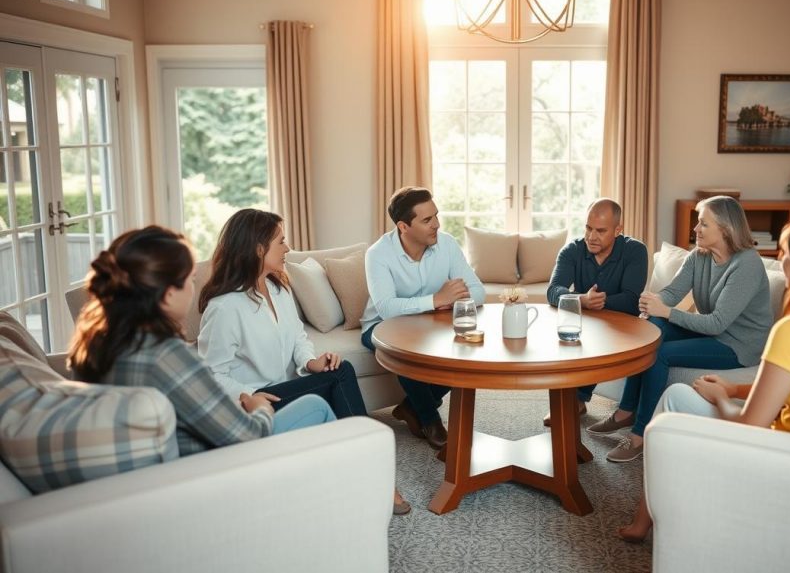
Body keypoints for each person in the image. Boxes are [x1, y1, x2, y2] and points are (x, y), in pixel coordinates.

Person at [617, 213, 790, 542]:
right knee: (676, 385)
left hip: (782, 455)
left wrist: (721, 398)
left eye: (786, 254)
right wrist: (733, 387)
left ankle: (642, 520)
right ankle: (646, 515)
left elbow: (751, 424)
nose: (781, 259)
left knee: (674, 398)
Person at [196, 210, 410, 515]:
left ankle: (364, 469)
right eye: (281, 241)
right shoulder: (225, 307)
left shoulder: (277, 288)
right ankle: (375, 472)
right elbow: (211, 374)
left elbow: (298, 336)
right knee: (343, 375)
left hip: (285, 388)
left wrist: (312, 363)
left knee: (336, 369)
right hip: (259, 402)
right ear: (258, 248)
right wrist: (249, 395)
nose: (288, 248)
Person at [67, 226, 335, 456]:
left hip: (179, 453)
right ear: (169, 294)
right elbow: (246, 433)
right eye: (189, 281)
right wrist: (259, 407)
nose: (193, 289)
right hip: (210, 460)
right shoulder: (166, 356)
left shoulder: (96, 343)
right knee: (316, 406)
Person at [590, 195, 773, 463]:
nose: (695, 229)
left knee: (660, 353)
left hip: (737, 344)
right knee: (652, 330)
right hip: (710, 331)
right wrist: (652, 303)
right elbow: (673, 293)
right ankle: (626, 411)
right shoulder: (699, 257)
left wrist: (665, 311)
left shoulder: (746, 264)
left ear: (725, 229)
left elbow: (718, 323)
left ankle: (641, 435)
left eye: (703, 224)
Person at [360, 187, 486, 449]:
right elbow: (385, 308)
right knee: (408, 352)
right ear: (404, 226)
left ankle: (410, 407)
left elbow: (478, 291)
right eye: (427, 220)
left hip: (431, 322)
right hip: (381, 327)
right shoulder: (378, 254)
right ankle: (430, 419)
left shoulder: (447, 244)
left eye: (436, 216)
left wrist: (446, 303)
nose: (437, 225)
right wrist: (435, 300)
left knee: (465, 357)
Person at [543, 198, 648, 426]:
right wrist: (582, 300)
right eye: (588, 228)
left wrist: (598, 302)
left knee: (592, 338)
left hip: (621, 328)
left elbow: (631, 301)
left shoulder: (635, 251)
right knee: (561, 337)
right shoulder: (572, 250)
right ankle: (571, 401)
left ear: (618, 230)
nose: (592, 236)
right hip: (584, 323)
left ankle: (578, 400)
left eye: (600, 231)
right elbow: (553, 291)